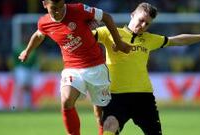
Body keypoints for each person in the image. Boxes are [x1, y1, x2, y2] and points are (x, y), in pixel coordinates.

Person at [93, 2, 200, 135]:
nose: (143, 26)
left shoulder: (150, 39)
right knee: (109, 125)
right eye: (141, 20)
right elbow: (81, 37)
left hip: (143, 97)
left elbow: (179, 40)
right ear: (132, 15)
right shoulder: (109, 32)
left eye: (147, 23)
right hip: (116, 96)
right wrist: (86, 25)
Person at [18, 0, 131, 135]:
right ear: (44, 4)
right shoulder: (44, 22)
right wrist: (27, 51)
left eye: (61, 7)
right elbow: (38, 35)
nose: (59, 11)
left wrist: (119, 43)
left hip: (96, 66)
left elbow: (107, 17)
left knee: (100, 115)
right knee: (66, 100)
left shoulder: (79, 9)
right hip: (72, 68)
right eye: (54, 8)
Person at [13, 43, 38, 110]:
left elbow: (35, 61)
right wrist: (15, 69)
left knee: (28, 88)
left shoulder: (33, 50)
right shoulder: (18, 49)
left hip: (30, 70)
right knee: (20, 87)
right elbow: (15, 60)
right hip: (21, 69)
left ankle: (28, 106)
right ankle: (16, 106)